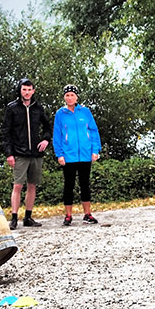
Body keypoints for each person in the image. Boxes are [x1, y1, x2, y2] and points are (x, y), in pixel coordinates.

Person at [1, 78, 52, 230]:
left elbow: (48, 127)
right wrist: (9, 154)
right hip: (19, 153)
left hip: (36, 153)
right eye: (24, 89)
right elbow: (6, 132)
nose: (27, 92)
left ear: (33, 91)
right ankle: (14, 218)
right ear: (20, 90)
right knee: (17, 185)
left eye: (29, 90)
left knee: (32, 185)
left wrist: (46, 140)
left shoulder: (39, 108)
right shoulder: (12, 108)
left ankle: (28, 217)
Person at [53, 84, 101, 225]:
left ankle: (87, 214)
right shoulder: (60, 114)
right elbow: (57, 135)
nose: (69, 97)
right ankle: (68, 215)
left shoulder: (85, 112)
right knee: (69, 185)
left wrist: (95, 150)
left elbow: (93, 131)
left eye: (72, 95)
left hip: (85, 154)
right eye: (67, 95)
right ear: (64, 97)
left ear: (76, 97)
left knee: (85, 184)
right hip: (68, 155)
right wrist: (59, 154)